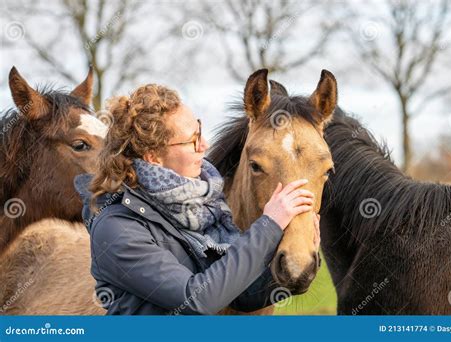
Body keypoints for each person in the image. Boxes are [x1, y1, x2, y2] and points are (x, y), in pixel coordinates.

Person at [74, 83, 319, 315]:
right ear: (153, 157)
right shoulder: (116, 227)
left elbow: (236, 293)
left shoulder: (202, 205)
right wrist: (270, 225)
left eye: (200, 130)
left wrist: (294, 271)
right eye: (192, 140)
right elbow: (196, 299)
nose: (204, 144)